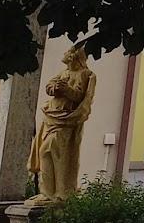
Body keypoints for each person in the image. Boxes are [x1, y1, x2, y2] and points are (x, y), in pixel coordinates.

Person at [26, 45, 96, 205]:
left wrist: (67, 89)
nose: (65, 55)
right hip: (52, 116)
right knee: (48, 152)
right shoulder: (63, 73)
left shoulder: (86, 74)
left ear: (74, 57)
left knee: (50, 151)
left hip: (66, 120)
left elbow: (81, 96)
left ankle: (59, 192)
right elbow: (49, 87)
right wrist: (55, 88)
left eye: (68, 53)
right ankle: (48, 193)